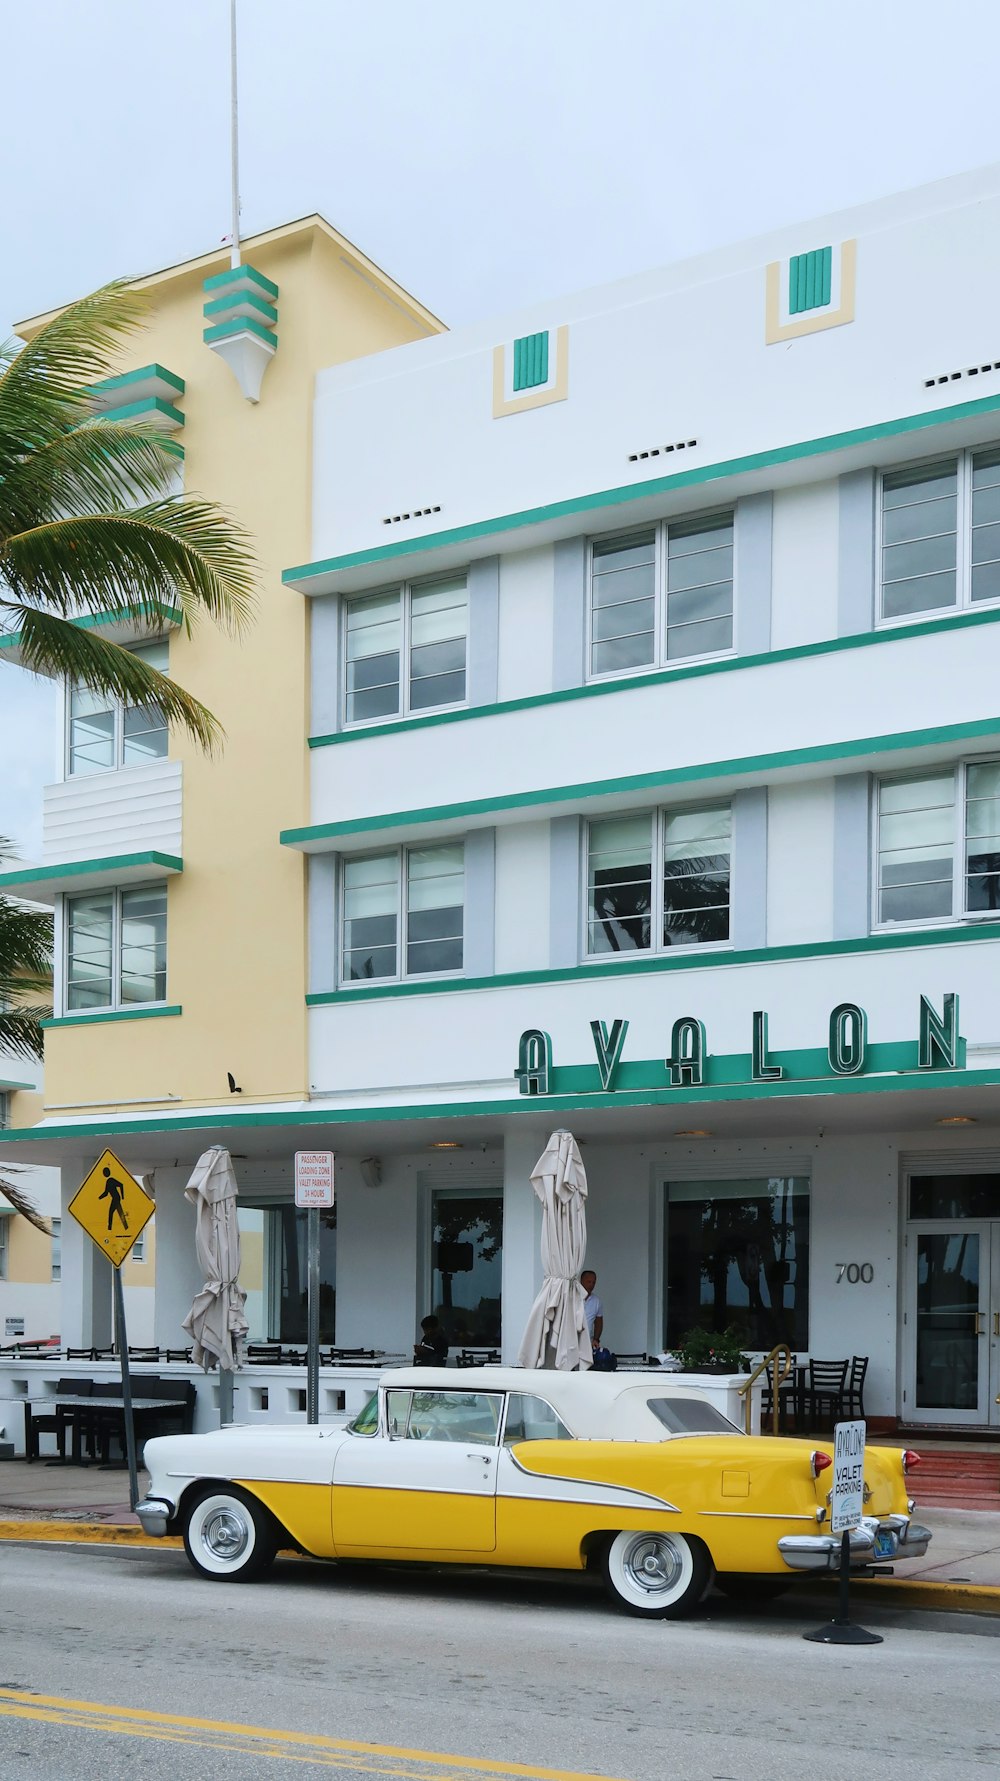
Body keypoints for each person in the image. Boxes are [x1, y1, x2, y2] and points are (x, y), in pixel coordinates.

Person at [580, 1269, 604, 1351]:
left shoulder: (596, 1301)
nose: (591, 1285)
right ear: (581, 1281)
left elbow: (598, 1322)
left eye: (593, 1282)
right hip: (570, 1342)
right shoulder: (572, 1298)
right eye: (589, 1282)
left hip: (587, 1344)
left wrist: (596, 1339)